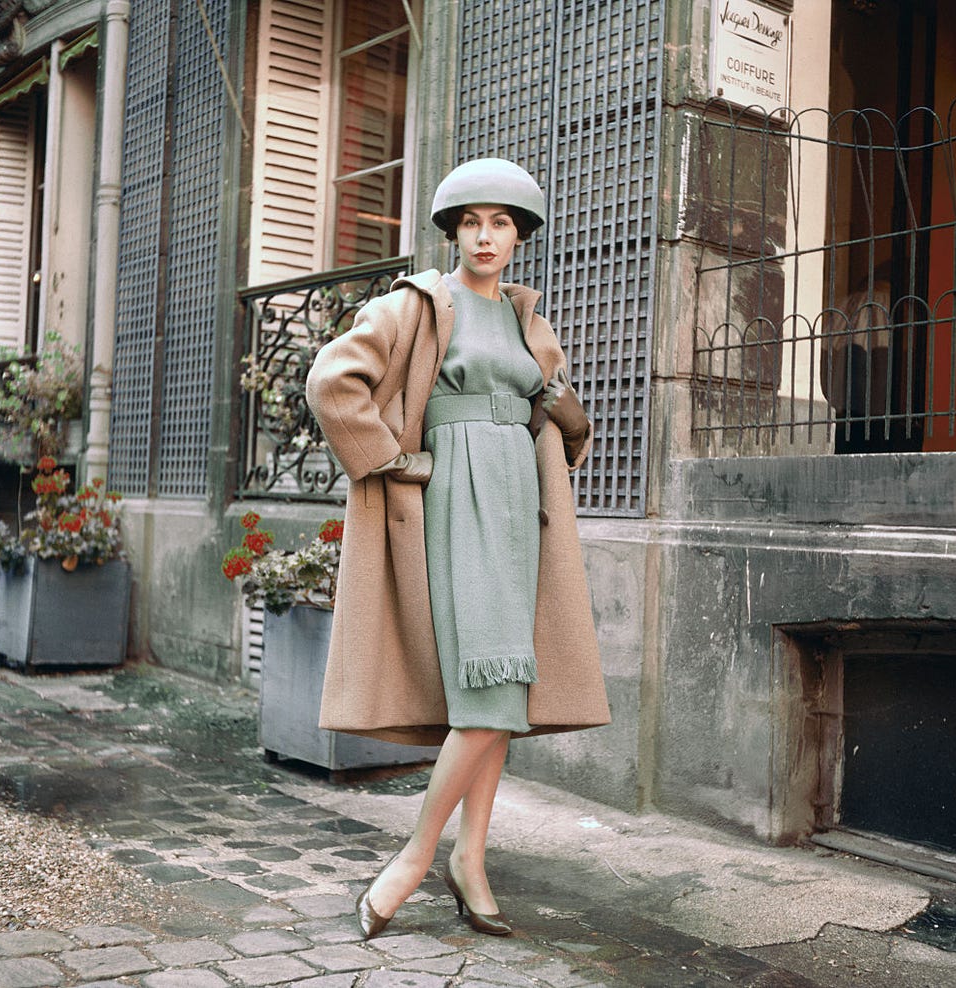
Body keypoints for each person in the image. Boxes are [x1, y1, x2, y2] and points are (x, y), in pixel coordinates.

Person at [306, 158, 610, 940]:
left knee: (503, 690)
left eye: (501, 223)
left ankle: (470, 861)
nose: (485, 236)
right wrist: (395, 460)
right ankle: (415, 857)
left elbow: (555, 415)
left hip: (520, 507)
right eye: (471, 222)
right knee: (487, 692)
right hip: (455, 502)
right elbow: (333, 379)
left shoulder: (523, 319)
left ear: (520, 236)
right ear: (452, 233)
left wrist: (562, 416)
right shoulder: (418, 304)